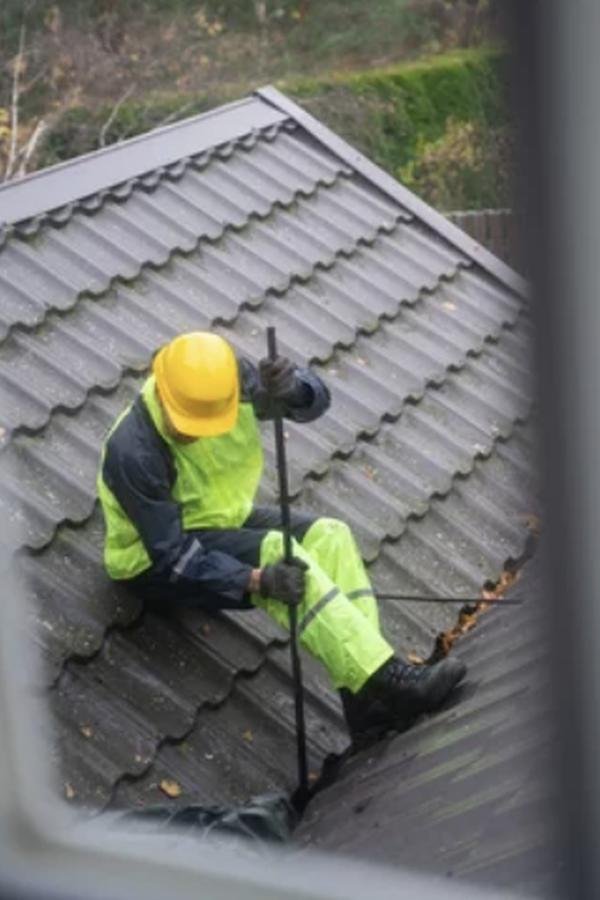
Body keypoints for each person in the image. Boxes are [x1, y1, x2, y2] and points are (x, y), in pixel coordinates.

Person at [97, 331, 466, 743]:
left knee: (331, 536)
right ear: (162, 390)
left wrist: (294, 389)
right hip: (155, 559)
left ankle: (366, 701)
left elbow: (314, 403)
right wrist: (256, 580)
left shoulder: (228, 383)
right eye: (186, 426)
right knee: (281, 555)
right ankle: (388, 679)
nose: (196, 435)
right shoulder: (134, 453)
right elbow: (174, 558)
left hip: (222, 518)